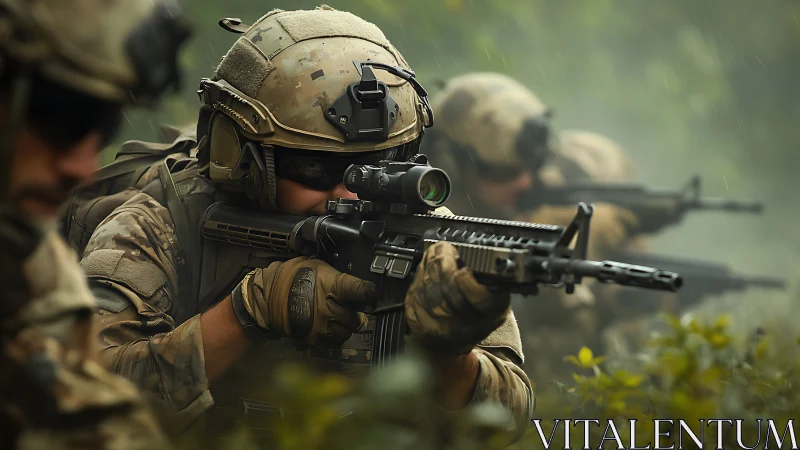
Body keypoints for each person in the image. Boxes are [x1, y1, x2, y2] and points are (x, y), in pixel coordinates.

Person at [74, 6, 533, 447]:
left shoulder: (428, 237)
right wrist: (249, 311)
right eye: (317, 169)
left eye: (377, 167)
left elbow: (506, 420)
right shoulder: (164, 222)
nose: (350, 194)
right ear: (245, 158)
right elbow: (82, 408)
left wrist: (451, 354)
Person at [0, 0, 190, 448]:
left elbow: (87, 418)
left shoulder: (31, 263)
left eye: (101, 127)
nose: (83, 168)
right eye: (64, 119)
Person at [422, 73, 642, 385]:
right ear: (453, 165)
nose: (524, 183)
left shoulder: (571, 174)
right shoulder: (426, 210)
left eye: (531, 167)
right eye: (504, 172)